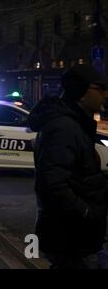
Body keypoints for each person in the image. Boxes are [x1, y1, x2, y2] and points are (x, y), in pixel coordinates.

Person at [28, 64, 108, 269]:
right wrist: (87, 213)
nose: (105, 94)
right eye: (99, 89)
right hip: (69, 235)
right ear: (81, 92)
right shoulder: (63, 127)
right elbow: (52, 184)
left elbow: (79, 174)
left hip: (73, 235)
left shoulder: (75, 123)